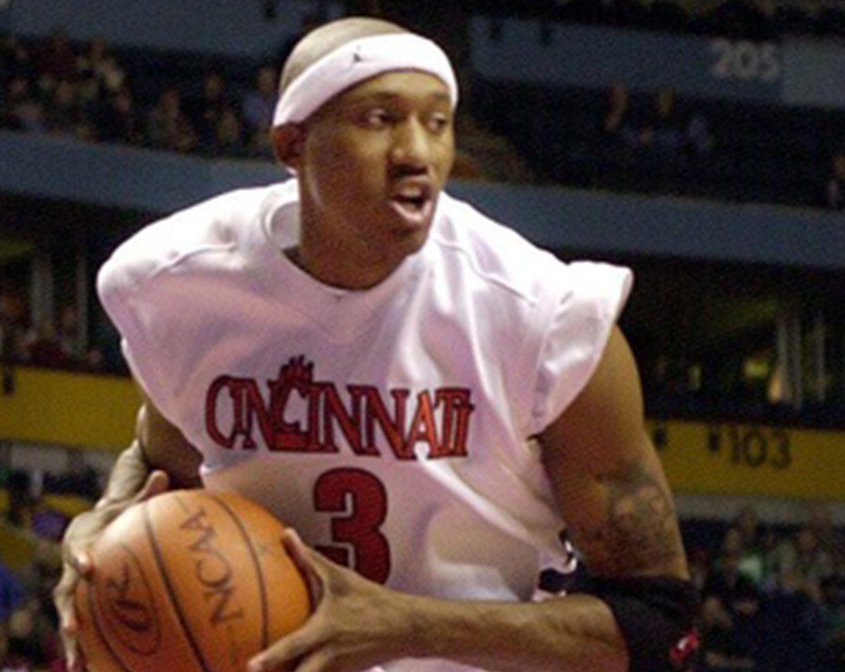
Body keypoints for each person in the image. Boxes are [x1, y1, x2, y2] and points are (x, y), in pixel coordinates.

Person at [54, 17, 695, 672]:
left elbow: (659, 623)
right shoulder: (181, 286)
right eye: (380, 118)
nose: (416, 150)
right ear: (292, 144)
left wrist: (405, 625)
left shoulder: (542, 317)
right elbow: (161, 456)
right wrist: (106, 527)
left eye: (438, 122)